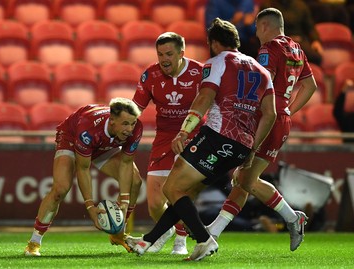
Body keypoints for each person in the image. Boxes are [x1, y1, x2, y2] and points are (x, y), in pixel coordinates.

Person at [126, 17, 277, 261]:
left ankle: (204, 240)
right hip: (242, 145)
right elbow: (270, 114)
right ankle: (148, 241)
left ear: (214, 42)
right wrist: (251, 149)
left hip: (216, 136)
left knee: (172, 188)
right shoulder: (261, 70)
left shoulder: (216, 63)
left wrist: (185, 131)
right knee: (185, 190)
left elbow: (204, 98)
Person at [206, 7, 318, 252]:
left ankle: (291, 217)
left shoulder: (269, 48)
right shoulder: (296, 48)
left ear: (265, 26)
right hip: (281, 119)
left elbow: (263, 83)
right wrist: (287, 110)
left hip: (265, 117)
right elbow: (310, 86)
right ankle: (213, 232)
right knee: (244, 178)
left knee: (245, 177)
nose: (256, 33)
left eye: (257, 28)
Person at [24, 97, 143, 256]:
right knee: (60, 189)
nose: (130, 129)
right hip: (72, 138)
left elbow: (126, 163)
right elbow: (83, 168)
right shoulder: (88, 128)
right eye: (125, 124)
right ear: (112, 120)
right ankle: (34, 242)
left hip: (103, 144)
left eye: (133, 123)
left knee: (135, 182)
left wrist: (124, 200)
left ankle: (118, 233)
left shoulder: (136, 129)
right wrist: (90, 207)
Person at [132, 32, 204, 255]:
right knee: (154, 202)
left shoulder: (200, 73)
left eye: (169, 54)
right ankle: (166, 231)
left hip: (193, 136)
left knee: (181, 193)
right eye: (160, 54)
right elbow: (136, 108)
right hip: (164, 137)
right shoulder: (151, 75)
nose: (164, 59)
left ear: (182, 53)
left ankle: (180, 242)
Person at [260, 0, 324, 66]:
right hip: (278, 42)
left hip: (298, 42)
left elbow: (310, 28)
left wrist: (315, 41)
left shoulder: (301, 5)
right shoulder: (268, 6)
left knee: (316, 58)